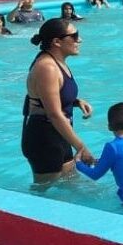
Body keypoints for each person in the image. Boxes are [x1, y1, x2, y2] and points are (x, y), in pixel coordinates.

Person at [22, 19, 94, 184]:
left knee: (70, 186)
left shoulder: (58, 62)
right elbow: (54, 114)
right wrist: (81, 147)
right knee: (47, 193)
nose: (79, 40)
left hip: (59, 133)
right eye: (74, 36)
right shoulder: (47, 67)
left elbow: (50, 96)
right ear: (57, 42)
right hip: (44, 138)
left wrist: (75, 101)